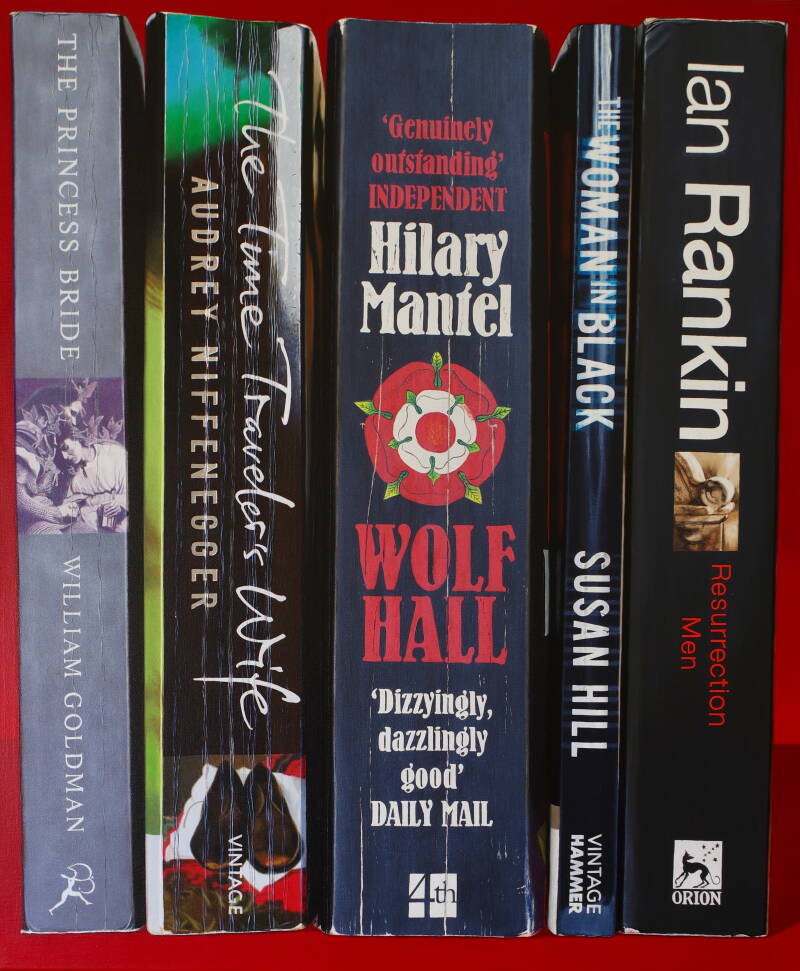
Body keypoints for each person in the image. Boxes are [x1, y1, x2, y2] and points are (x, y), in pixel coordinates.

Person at [57, 433, 129, 532]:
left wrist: (118, 502)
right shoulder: (76, 475)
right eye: (62, 454)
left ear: (77, 439)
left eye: (66, 448)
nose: (65, 456)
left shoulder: (113, 453)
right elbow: (70, 500)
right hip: (95, 518)